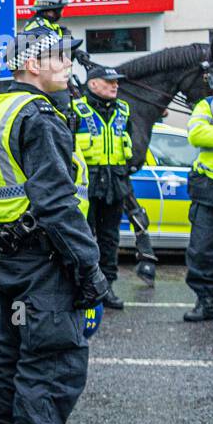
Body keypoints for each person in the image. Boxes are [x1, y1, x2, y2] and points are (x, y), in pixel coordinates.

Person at [0, 29, 107, 424]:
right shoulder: (40, 116)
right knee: (52, 367)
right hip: (46, 260)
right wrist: (89, 267)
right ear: (30, 65)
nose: (69, 66)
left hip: (12, 259)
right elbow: (56, 201)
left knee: (13, 358)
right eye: (57, 58)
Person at [70, 65, 132, 310]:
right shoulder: (75, 110)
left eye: (116, 81)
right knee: (83, 237)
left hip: (115, 182)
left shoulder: (125, 110)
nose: (115, 85)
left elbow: (131, 145)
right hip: (87, 184)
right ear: (93, 84)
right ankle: (81, 285)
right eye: (109, 81)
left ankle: (106, 287)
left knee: (110, 239)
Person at [183, 70, 213, 322]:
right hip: (209, 189)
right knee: (203, 249)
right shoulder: (208, 105)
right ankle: (206, 302)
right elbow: (196, 134)